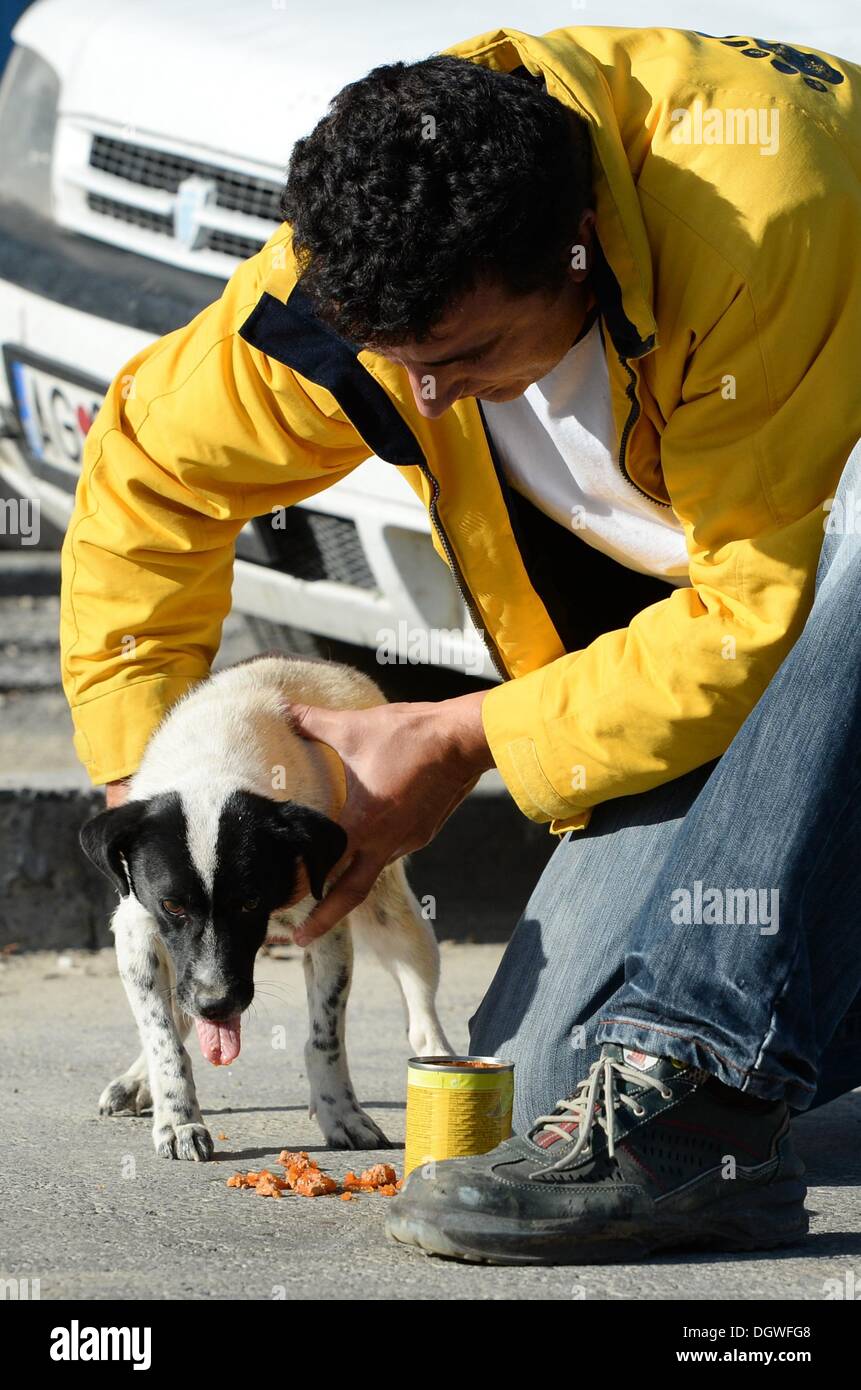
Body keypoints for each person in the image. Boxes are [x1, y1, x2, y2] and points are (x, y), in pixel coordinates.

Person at [60, 26, 861, 1263]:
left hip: (818, 605)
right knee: (555, 1078)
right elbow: (149, 474)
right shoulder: (364, 264)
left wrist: (458, 734)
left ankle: (707, 1117)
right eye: (400, 362)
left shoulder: (763, 221)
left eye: (470, 355)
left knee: (859, 528)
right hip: (752, 662)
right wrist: (149, 792)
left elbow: (763, 610)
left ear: (580, 246)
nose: (425, 397)